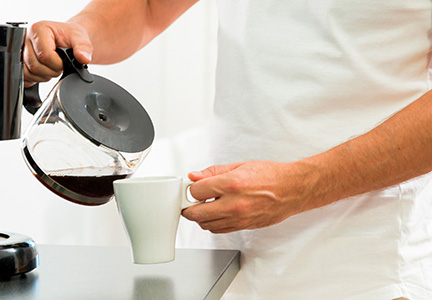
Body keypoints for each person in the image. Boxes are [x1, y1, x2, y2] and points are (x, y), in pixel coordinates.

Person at [23, 1, 432, 299]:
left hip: (366, 275)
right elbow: (148, 8)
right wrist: (78, 34)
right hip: (231, 270)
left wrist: (301, 186)